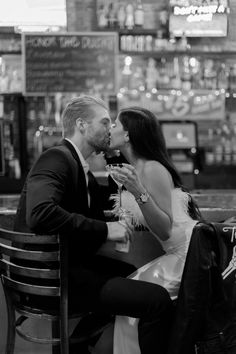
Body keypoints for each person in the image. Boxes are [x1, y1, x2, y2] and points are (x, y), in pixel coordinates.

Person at [14, 96, 173, 354]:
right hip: (48, 279)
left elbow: (105, 207)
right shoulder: (55, 157)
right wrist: (107, 230)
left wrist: (113, 158)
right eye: (105, 122)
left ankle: (77, 344)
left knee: (131, 271)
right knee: (158, 300)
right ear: (82, 125)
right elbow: (40, 214)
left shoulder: (80, 166)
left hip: (64, 269)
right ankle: (79, 343)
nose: (110, 129)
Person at [95, 106, 202, 354]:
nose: (110, 129)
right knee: (130, 301)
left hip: (189, 255)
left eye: (115, 125)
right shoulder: (135, 167)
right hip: (175, 254)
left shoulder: (153, 169)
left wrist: (137, 191)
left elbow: (164, 230)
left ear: (129, 134)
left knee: (133, 304)